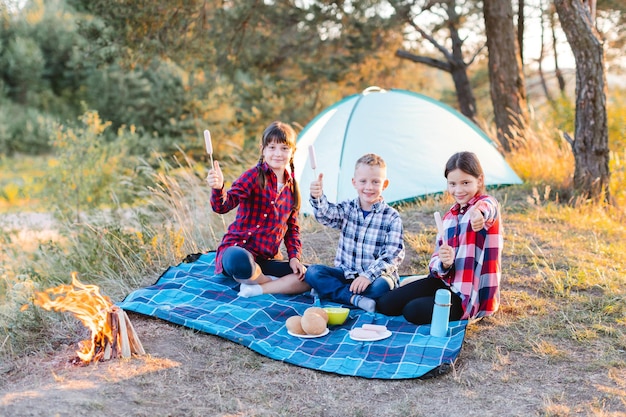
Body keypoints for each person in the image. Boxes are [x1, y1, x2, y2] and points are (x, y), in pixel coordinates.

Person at [377, 151, 502, 325]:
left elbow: (488, 208)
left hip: (467, 298)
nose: (458, 190)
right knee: (385, 304)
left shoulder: (485, 205)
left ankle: (427, 296)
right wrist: (444, 263)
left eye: (465, 183)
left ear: (479, 180)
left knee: (412, 311)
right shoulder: (448, 218)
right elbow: (436, 261)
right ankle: (421, 286)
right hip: (444, 283)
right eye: (452, 184)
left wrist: (478, 215)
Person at [206, 121, 310, 297]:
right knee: (239, 260)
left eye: (284, 148)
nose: (278, 153)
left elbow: (292, 230)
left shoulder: (292, 188)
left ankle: (256, 286)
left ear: (292, 152)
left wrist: (294, 258)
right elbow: (222, 206)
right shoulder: (253, 176)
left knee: (309, 275)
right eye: (272, 147)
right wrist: (218, 187)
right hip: (239, 250)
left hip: (265, 259)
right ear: (263, 150)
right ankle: (271, 283)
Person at [304, 153, 405, 312]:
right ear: (354, 182)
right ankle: (354, 298)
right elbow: (326, 216)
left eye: (375, 182)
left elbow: (393, 255)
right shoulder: (347, 208)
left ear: (384, 184)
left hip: (375, 278)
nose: (369, 187)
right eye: (363, 181)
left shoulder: (391, 216)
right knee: (312, 272)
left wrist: (368, 275)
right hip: (346, 273)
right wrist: (317, 197)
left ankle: (331, 291)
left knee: (381, 288)